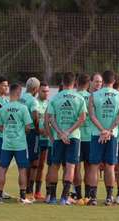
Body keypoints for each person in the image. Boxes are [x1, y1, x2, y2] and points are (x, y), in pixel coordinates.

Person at [46, 72, 86, 205]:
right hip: (73, 137)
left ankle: (52, 197)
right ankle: (64, 198)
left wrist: (60, 133)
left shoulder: (55, 98)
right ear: (74, 83)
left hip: (58, 137)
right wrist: (68, 132)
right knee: (71, 166)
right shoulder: (79, 98)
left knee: (54, 165)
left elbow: (51, 119)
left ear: (63, 82)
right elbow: (82, 119)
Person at [88, 70, 119, 206]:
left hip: (96, 135)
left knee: (94, 166)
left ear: (102, 81)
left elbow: (92, 116)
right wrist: (109, 130)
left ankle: (93, 198)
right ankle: (109, 198)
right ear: (114, 81)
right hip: (112, 135)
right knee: (110, 166)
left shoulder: (93, 95)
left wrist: (102, 130)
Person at [0, 83, 33, 204]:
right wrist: (21, 133)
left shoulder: (3, 108)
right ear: (18, 93)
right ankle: (22, 197)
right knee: (22, 169)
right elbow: (28, 127)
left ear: (10, 92)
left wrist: (8, 133)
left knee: (2, 169)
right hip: (20, 144)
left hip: (6, 144)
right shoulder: (23, 108)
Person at [20, 77, 40, 200]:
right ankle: (29, 190)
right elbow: (35, 116)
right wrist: (38, 128)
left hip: (20, 133)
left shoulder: (20, 98)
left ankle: (23, 189)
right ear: (35, 89)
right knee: (33, 162)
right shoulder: (33, 100)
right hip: (31, 133)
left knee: (23, 161)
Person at [74, 73, 91, 205]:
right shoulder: (92, 97)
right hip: (90, 136)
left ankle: (78, 195)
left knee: (77, 167)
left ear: (76, 83)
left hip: (77, 135)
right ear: (88, 83)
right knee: (90, 167)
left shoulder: (74, 96)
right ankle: (89, 196)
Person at [35, 82, 50, 200]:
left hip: (46, 139)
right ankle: (29, 190)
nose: (46, 93)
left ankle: (38, 192)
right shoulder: (34, 103)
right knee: (34, 165)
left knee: (43, 165)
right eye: (43, 91)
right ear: (38, 91)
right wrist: (39, 130)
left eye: (47, 91)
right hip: (36, 138)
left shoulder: (49, 104)